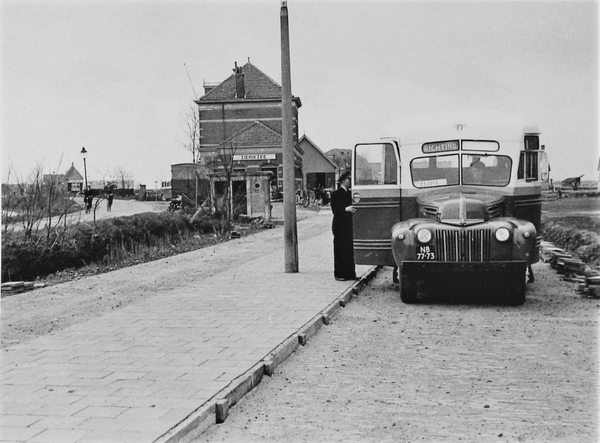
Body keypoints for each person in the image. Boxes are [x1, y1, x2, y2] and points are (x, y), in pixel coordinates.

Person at [331, 171, 357, 281]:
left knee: (349, 250)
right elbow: (335, 210)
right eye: (349, 179)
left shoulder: (350, 194)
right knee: (339, 250)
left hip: (348, 226)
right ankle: (339, 274)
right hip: (339, 226)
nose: (350, 182)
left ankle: (350, 274)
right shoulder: (335, 194)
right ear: (343, 181)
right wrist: (345, 209)